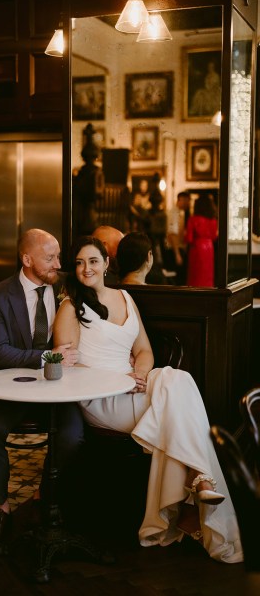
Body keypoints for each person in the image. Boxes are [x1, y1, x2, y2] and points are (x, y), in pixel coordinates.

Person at [53, 235, 243, 564]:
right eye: (80, 263)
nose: (87, 269)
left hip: (135, 385)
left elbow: (144, 351)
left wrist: (139, 375)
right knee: (175, 396)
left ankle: (195, 490)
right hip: (100, 396)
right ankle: (196, 487)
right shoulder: (71, 306)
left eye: (93, 261)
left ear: (106, 263)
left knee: (176, 380)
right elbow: (70, 369)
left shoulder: (124, 297)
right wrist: (116, 380)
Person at [0, 228, 84, 555]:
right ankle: (1, 508)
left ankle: (42, 497)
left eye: (58, 257)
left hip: (57, 388)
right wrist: (48, 356)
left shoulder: (65, 285)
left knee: (73, 436)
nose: (57, 264)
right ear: (27, 259)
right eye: (50, 258)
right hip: (9, 389)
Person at [185, 194, 218, 287]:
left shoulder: (192, 220)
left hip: (197, 247)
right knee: (207, 273)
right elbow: (214, 237)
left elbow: (189, 239)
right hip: (209, 247)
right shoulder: (213, 220)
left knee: (196, 274)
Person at [166, 191, 191, 285]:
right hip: (174, 250)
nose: (189, 203)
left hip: (177, 249)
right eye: (187, 201)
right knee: (177, 280)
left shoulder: (180, 212)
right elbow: (173, 234)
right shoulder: (174, 213)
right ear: (181, 200)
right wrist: (177, 254)